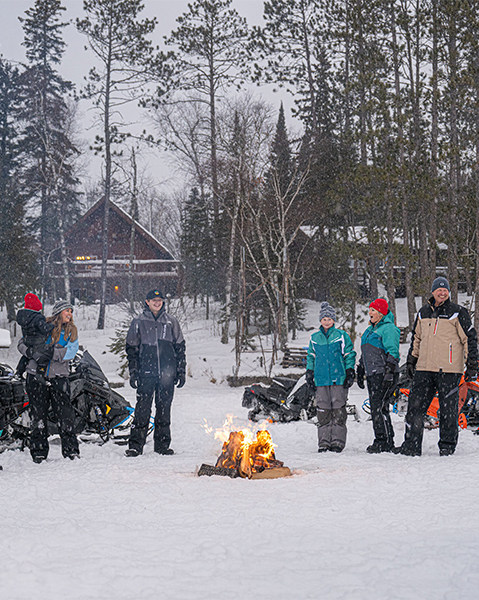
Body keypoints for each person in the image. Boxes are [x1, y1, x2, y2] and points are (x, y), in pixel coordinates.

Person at [395, 277, 478, 456]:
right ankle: (411, 446)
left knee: (448, 410)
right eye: (439, 290)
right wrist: (411, 361)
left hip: (449, 370)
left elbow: (470, 338)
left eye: (445, 290)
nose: (442, 292)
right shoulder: (423, 312)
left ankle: (447, 447)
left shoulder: (458, 312)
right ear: (432, 292)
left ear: (448, 292)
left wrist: (472, 364)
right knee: (415, 408)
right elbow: (416, 339)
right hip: (424, 369)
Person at [125, 289, 186, 457]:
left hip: (167, 374)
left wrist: (181, 371)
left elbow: (180, 347)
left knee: (164, 409)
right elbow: (131, 349)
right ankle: (135, 446)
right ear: (147, 302)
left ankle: (162, 445)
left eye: (159, 300)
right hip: (146, 373)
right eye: (154, 300)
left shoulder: (171, 322)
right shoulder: (138, 322)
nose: (157, 303)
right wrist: (134, 371)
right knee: (142, 410)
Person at [18, 299, 80, 463]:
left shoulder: (71, 331)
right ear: (59, 312)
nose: (70, 314)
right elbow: (22, 343)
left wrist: (52, 354)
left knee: (65, 416)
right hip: (36, 377)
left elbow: (71, 352)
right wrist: (32, 353)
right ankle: (38, 451)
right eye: (67, 310)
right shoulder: (42, 325)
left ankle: (71, 451)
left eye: (71, 311)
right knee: (38, 416)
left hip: (59, 378)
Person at [305, 302, 356, 453]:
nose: (327, 322)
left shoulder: (341, 336)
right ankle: (324, 442)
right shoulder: (315, 338)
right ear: (320, 321)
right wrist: (309, 372)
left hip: (338, 378)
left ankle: (337, 442)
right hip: (321, 380)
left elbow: (349, 354)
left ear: (333, 320)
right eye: (324, 319)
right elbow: (311, 357)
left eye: (329, 319)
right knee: (323, 411)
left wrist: (349, 371)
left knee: (338, 410)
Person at [356, 298, 400, 454]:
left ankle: (385, 441)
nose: (370, 313)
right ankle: (382, 439)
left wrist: (389, 372)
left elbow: (393, 352)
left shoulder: (388, 329)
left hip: (384, 373)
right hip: (372, 373)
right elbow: (366, 352)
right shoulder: (370, 330)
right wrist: (360, 369)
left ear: (381, 313)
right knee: (376, 408)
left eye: (373, 310)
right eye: (370, 310)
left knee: (380, 408)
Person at [15, 293, 54, 380]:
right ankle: (40, 373)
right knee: (42, 357)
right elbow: (44, 329)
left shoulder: (24, 316)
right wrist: (52, 325)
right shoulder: (37, 317)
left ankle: (19, 372)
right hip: (37, 342)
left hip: (27, 340)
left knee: (26, 356)